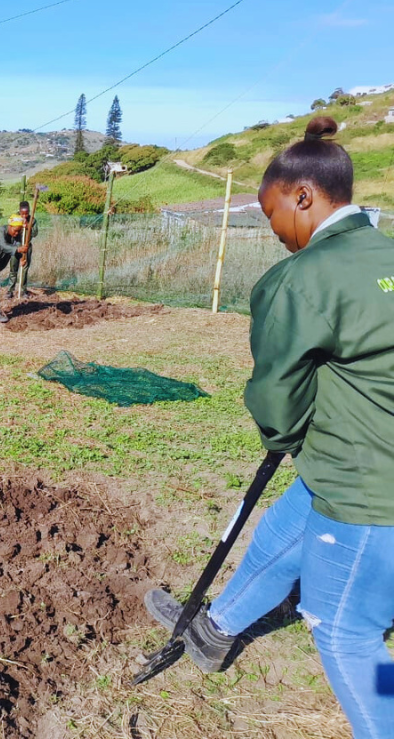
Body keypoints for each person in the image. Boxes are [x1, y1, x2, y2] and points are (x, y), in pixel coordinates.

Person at [145, 117, 394, 738]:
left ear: (302, 196)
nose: (274, 229)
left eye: (271, 212)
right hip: (349, 459)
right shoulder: (387, 255)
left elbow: (277, 395)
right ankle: (214, 631)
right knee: (280, 535)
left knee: (345, 630)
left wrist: (282, 437)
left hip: (369, 481)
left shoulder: (303, 277)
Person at [7, 201, 36, 296]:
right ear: (19, 211)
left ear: (29, 211)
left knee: (24, 269)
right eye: (22, 213)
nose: (24, 216)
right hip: (16, 246)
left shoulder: (32, 220)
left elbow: (35, 233)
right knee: (13, 269)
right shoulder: (15, 218)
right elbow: (10, 230)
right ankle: (10, 291)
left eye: (26, 213)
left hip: (26, 246)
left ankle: (23, 291)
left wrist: (28, 226)